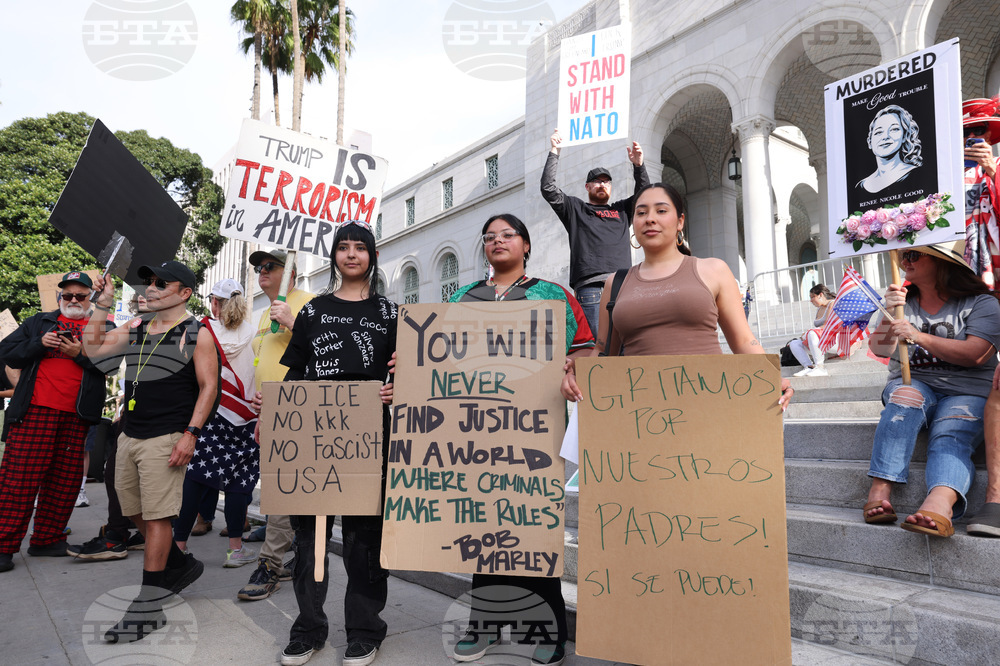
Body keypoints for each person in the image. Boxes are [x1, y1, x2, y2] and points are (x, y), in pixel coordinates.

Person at [450, 213, 595, 666]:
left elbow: (585, 349)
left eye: (507, 235)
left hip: (536, 431)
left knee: (534, 529)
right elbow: (436, 357)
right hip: (477, 431)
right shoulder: (462, 297)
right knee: (484, 529)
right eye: (489, 237)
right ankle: (484, 626)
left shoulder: (553, 296)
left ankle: (548, 631)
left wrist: (575, 369)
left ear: (526, 245)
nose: (498, 242)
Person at [272, 220, 396, 666]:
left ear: (371, 255)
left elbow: (406, 373)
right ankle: (308, 628)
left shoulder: (389, 313)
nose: (350, 255)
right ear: (334, 258)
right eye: (342, 248)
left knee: (365, 536)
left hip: (370, 432)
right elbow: (293, 371)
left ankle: (366, 629)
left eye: (359, 248)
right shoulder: (314, 309)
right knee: (310, 536)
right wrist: (278, 420)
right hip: (312, 431)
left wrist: (395, 388)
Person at [84, 260, 219, 642]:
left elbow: (209, 387)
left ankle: (149, 604)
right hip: (130, 432)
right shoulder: (139, 326)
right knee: (132, 510)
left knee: (159, 518)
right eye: (149, 282)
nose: (151, 288)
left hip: (168, 435)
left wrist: (191, 434)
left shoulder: (196, 332)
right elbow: (93, 351)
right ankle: (176, 565)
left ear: (184, 293)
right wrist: (102, 305)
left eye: (161, 283)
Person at [561, 183, 793, 402]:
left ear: (680, 221)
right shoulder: (615, 283)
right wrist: (576, 373)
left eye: (661, 210)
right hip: (640, 412)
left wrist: (770, 377)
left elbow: (743, 341)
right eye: (641, 213)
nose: (650, 218)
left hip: (709, 401)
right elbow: (603, 352)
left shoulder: (714, 270)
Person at [862, 242, 1000, 538]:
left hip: (969, 390)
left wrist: (918, 336)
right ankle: (881, 486)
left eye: (914, 254)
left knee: (952, 432)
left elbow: (976, 354)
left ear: (943, 263)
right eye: (903, 255)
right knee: (905, 398)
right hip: (915, 384)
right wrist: (888, 311)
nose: (904, 261)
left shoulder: (981, 302)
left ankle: (940, 503)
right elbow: (879, 348)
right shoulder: (901, 301)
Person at [0, 272, 112, 574]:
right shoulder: (39, 322)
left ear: (91, 298)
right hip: (35, 413)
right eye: (68, 295)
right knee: (18, 482)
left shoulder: (101, 325)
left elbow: (110, 365)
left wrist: (78, 354)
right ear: (59, 296)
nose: (73, 300)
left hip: (76, 416)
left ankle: (47, 539)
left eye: (81, 295)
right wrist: (39, 343)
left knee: (64, 482)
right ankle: (3, 546)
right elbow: (7, 353)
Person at [239, 249, 315, 601]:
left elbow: (330, 350)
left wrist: (293, 322)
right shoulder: (261, 316)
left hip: (302, 408)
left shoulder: (311, 303)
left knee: (282, 488)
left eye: (270, 266)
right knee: (279, 488)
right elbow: (264, 362)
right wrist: (260, 407)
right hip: (270, 411)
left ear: (292, 273)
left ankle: (270, 564)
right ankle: (290, 556)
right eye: (258, 267)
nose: (261, 271)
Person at [173, 279, 259, 567]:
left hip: (211, 414)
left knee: (196, 480)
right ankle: (235, 550)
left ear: (215, 302)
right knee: (239, 484)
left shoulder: (202, 329)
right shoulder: (255, 330)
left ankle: (178, 545)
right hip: (248, 416)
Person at [541, 129, 649, 334]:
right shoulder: (575, 209)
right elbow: (548, 188)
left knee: (625, 350)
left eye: (606, 181)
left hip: (623, 287)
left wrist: (639, 166)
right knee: (598, 352)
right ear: (587, 186)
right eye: (597, 181)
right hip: (591, 290)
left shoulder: (622, 210)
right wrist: (555, 150)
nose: (602, 185)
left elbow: (645, 196)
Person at [961, 96, 1000, 290]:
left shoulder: (998, 165)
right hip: (958, 265)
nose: (971, 137)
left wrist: (992, 170)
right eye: (966, 131)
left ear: (988, 136)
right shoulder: (947, 174)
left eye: (978, 130)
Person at [857, 105, 923, 194]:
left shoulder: (919, 175)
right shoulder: (860, 186)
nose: (885, 137)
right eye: (879, 132)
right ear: (870, 142)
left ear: (904, 136)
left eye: (894, 129)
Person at [789, 284, 836, 377]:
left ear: (821, 295)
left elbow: (828, 325)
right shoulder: (819, 308)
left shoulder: (833, 303)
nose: (811, 300)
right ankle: (809, 367)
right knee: (794, 343)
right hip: (822, 342)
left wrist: (810, 332)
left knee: (812, 333)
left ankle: (820, 367)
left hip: (835, 340)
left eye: (812, 297)